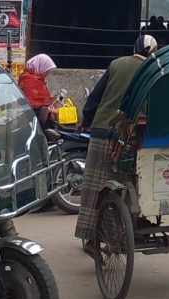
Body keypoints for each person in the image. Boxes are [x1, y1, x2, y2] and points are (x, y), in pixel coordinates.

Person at [76, 35, 159, 249]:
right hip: (133, 135)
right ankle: (128, 228)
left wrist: (86, 121)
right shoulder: (153, 69)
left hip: (104, 130)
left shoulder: (116, 64)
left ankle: (92, 235)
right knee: (130, 182)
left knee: (96, 185)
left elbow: (95, 97)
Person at [18, 54, 57, 129]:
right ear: (39, 67)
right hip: (29, 121)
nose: (46, 74)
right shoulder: (28, 80)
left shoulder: (39, 80)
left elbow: (42, 100)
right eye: (45, 71)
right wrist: (47, 110)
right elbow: (30, 105)